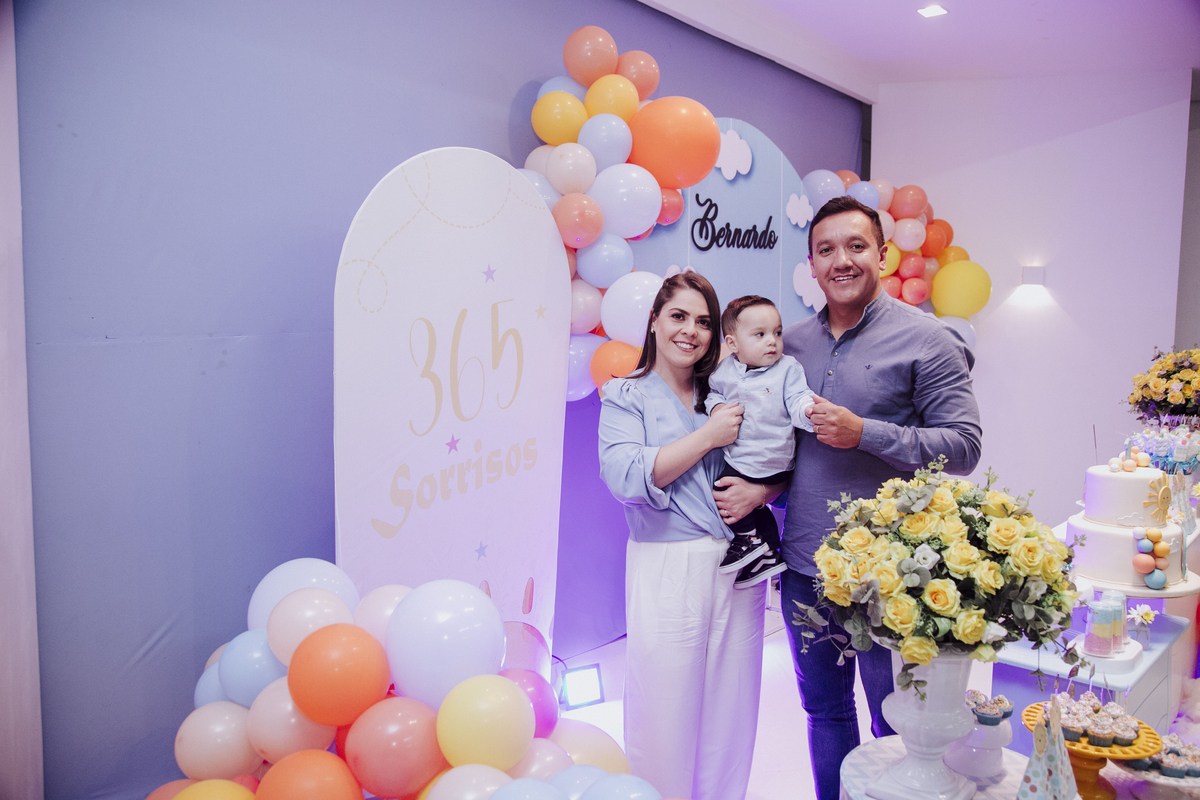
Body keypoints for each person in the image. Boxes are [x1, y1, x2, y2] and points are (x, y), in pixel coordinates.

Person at [779, 195, 982, 800]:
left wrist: (866, 433)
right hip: (805, 565)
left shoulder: (927, 339)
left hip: (892, 577)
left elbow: (964, 445)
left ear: (882, 254)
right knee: (824, 713)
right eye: (825, 250)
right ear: (811, 265)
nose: (841, 260)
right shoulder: (788, 345)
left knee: (896, 724)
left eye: (855, 246)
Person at [597, 271, 773, 800]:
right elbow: (625, 476)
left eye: (703, 322)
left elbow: (775, 456)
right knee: (664, 710)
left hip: (738, 567)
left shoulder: (724, 391)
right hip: (667, 564)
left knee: (732, 712)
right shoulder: (626, 395)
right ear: (654, 321)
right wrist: (708, 437)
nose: (690, 331)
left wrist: (762, 492)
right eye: (678, 316)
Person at [706, 295, 814, 587]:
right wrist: (717, 408)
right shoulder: (725, 370)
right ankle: (767, 551)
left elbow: (798, 397)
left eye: (777, 333)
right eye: (760, 334)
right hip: (741, 455)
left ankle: (747, 540)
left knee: (724, 489)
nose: (772, 342)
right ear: (733, 343)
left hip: (773, 458)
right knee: (748, 502)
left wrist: (808, 411)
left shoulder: (787, 368)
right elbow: (714, 393)